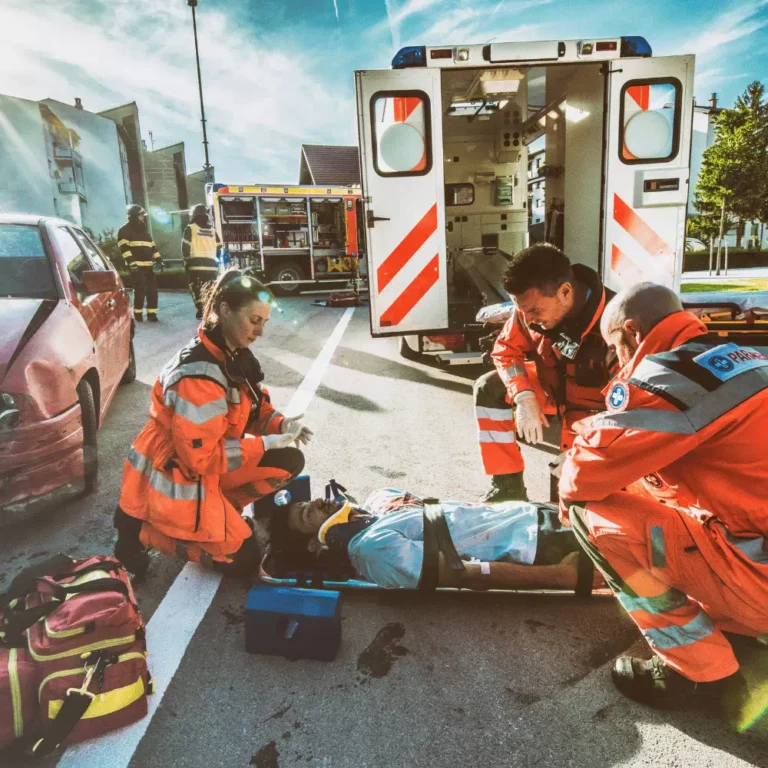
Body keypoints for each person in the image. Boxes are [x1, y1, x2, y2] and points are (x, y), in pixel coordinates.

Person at [558, 282, 768, 717]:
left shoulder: (673, 378)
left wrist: (568, 499)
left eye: (615, 349)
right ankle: (736, 625)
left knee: (587, 513)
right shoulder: (748, 359)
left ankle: (700, 673)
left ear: (632, 332)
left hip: (759, 579)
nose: (617, 361)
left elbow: (582, 476)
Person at [113, 270, 313, 578]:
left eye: (264, 322)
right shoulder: (199, 376)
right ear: (224, 311)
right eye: (254, 321)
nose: (260, 332)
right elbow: (201, 458)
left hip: (205, 467)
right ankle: (141, 532)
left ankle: (220, 510)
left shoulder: (231, 354)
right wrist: (263, 444)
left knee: (288, 460)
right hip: (177, 474)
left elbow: (254, 410)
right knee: (245, 561)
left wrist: (281, 425)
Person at [473, 244, 615, 502]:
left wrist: (582, 452)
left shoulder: (616, 322)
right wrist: (523, 396)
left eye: (535, 311)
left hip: (597, 413)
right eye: (522, 310)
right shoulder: (528, 310)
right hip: (551, 389)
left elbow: (631, 408)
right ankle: (507, 487)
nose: (527, 319)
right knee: (488, 387)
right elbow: (505, 351)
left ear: (565, 292)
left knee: (571, 504)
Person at [280, 488, 598, 592]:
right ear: (314, 545)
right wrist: (560, 576)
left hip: (533, 512)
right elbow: (465, 573)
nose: (317, 502)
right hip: (539, 542)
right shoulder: (373, 550)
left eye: (309, 501)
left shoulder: (377, 503)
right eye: (306, 513)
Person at [118, 204, 164, 322]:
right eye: (141, 215)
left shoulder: (144, 231)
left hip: (149, 266)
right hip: (136, 267)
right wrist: (132, 263)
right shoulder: (124, 230)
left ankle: (152, 314)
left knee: (152, 291)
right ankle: (138, 314)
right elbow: (124, 248)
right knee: (140, 290)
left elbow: (152, 246)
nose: (143, 217)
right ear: (134, 216)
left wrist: (159, 260)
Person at [182, 203, 222, 319]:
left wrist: (186, 261)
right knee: (210, 288)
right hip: (211, 265)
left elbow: (185, 247)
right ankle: (209, 309)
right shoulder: (212, 230)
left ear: (194, 214)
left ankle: (201, 310)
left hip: (196, 265)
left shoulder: (191, 228)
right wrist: (214, 258)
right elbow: (219, 246)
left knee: (196, 288)